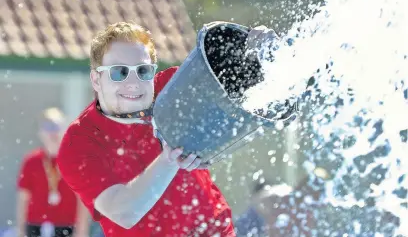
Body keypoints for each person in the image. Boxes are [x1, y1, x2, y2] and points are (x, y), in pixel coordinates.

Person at [56, 21, 276, 237]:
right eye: (119, 72)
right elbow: (124, 212)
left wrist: (255, 52)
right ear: (96, 79)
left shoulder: (172, 88)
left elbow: (239, 81)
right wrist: (168, 159)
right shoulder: (79, 143)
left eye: (143, 71)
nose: (133, 83)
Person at [16, 107, 90, 237]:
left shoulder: (76, 161)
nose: (52, 133)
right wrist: (21, 230)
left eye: (56, 126)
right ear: (40, 132)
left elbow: (83, 199)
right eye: (48, 127)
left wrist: (82, 230)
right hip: (35, 226)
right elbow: (23, 198)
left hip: (66, 227)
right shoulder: (31, 161)